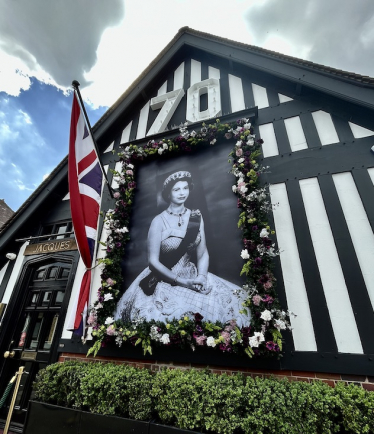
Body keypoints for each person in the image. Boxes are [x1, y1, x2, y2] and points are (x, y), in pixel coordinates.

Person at [114, 170, 249, 326]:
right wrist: (183, 282)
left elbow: (203, 252)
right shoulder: (159, 221)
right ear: (168, 194)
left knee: (232, 303)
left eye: (185, 188)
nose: (182, 193)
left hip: (192, 274)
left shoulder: (196, 217)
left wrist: (201, 277)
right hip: (163, 278)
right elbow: (152, 262)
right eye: (176, 189)